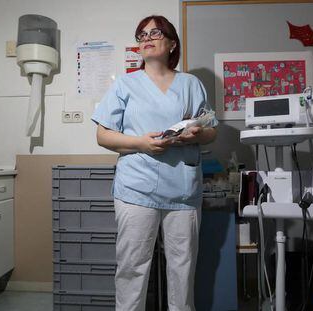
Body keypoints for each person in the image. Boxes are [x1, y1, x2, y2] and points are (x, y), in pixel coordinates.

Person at [91, 15, 218, 311]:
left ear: (172, 43)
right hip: (137, 189)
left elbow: (212, 130)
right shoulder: (125, 85)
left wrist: (196, 135)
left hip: (184, 192)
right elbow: (102, 135)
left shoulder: (191, 84)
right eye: (141, 35)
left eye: (155, 32)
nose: (147, 38)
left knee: (182, 270)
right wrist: (142, 143)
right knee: (132, 269)